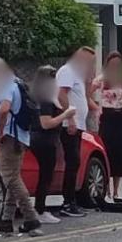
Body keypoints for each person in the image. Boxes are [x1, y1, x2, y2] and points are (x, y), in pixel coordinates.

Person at [0, 57, 41, 235]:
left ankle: (31, 218)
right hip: (21, 136)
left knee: (10, 179)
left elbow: (4, 109)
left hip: (10, 137)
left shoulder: (4, 86)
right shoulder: (16, 83)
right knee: (13, 177)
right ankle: (6, 219)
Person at [30, 66, 76, 224]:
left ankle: (39, 209)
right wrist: (65, 115)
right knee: (45, 176)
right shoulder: (45, 99)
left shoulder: (40, 96)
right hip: (44, 140)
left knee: (46, 175)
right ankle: (40, 210)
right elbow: (46, 123)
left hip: (43, 139)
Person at [56, 46, 96, 217]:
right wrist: (70, 118)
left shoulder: (77, 74)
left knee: (75, 163)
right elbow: (61, 94)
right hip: (69, 124)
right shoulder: (67, 71)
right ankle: (67, 202)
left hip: (78, 124)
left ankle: (72, 200)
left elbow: (83, 96)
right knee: (72, 162)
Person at [91, 51, 122, 202]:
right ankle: (105, 189)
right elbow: (88, 93)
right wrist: (96, 108)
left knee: (119, 153)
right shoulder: (101, 79)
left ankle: (116, 191)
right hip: (107, 116)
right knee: (106, 151)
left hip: (120, 116)